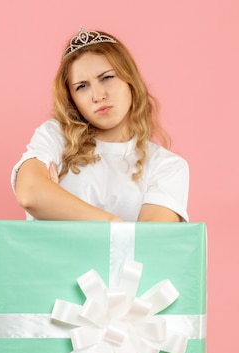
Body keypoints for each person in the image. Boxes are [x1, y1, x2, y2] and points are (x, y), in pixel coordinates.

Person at [11, 28, 189, 222]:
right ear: (72, 98)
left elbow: (146, 245)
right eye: (82, 86)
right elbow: (30, 194)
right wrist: (114, 223)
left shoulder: (166, 165)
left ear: (130, 80)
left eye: (107, 78)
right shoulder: (56, 137)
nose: (98, 96)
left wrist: (56, 205)